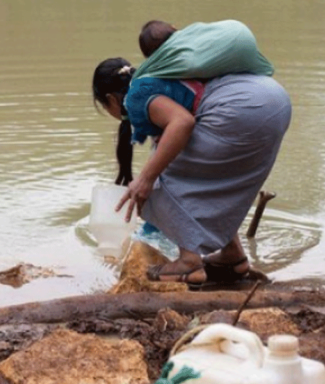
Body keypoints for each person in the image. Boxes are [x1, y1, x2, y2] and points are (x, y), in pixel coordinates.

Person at [92, 28, 291, 287]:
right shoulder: (160, 77)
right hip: (272, 100)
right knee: (208, 177)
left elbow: (183, 122)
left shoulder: (137, 97)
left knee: (159, 176)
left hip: (243, 109)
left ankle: (189, 262)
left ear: (110, 100)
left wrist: (145, 179)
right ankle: (233, 257)